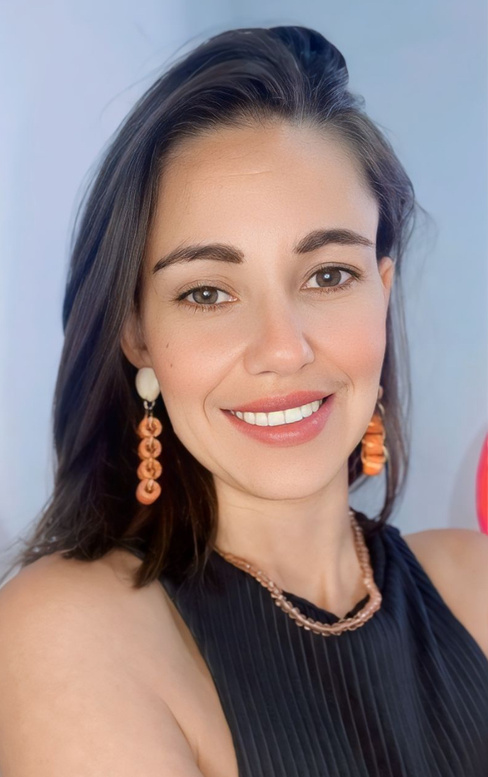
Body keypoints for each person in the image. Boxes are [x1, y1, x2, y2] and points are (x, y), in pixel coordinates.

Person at [0, 24, 487, 777]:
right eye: (206, 292)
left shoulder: (473, 582)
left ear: (382, 291)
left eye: (328, 275)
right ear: (137, 334)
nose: (283, 348)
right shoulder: (67, 631)